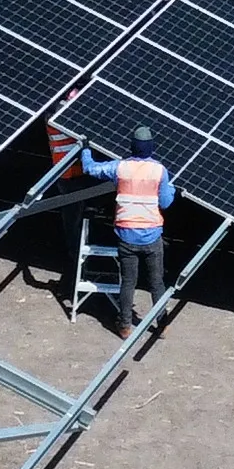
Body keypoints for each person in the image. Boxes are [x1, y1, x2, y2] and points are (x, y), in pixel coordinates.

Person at [79, 126, 176, 329]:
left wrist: (85, 149)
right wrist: (172, 189)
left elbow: (90, 168)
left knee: (128, 282)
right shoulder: (160, 171)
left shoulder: (120, 167)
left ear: (132, 146)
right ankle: (162, 324)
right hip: (151, 236)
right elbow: (166, 203)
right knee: (156, 282)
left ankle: (124, 325)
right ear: (151, 148)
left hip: (126, 236)